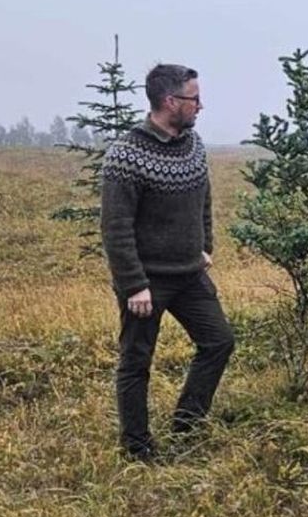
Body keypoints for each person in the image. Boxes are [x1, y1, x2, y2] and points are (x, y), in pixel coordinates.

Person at [100, 64, 234, 461]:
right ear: (169, 101)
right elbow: (115, 227)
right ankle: (137, 447)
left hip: (190, 274)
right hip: (147, 281)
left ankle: (187, 425)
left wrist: (205, 245)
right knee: (136, 361)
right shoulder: (126, 156)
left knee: (219, 341)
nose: (201, 106)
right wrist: (133, 284)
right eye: (194, 98)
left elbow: (204, 199)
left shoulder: (194, 145)